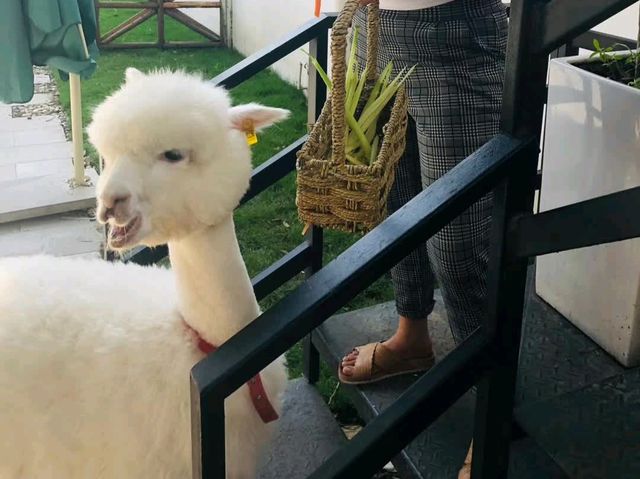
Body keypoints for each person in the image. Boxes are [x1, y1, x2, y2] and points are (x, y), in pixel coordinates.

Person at [336, 0, 509, 477]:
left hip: (454, 33)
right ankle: (412, 336)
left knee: (458, 239)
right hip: (373, 29)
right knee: (396, 203)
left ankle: (493, 401)